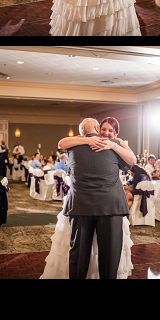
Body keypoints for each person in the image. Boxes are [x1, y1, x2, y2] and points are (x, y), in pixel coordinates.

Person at [55, 117, 132, 279]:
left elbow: (62, 143)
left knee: (79, 252)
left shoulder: (72, 147)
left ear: (81, 132)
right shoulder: (112, 145)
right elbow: (131, 162)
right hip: (110, 205)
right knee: (109, 254)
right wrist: (117, 143)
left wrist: (84, 140)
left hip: (80, 205)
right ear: (98, 129)